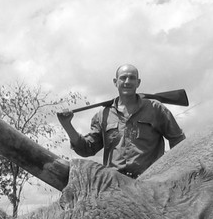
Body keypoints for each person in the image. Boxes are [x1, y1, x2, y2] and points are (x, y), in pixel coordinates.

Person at [57, 64, 185, 178]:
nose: (127, 81)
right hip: (115, 186)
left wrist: (173, 173)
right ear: (115, 82)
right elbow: (86, 149)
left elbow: (178, 141)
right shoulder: (103, 115)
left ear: (138, 82)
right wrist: (67, 125)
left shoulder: (155, 108)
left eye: (132, 78)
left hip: (150, 183)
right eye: (123, 78)